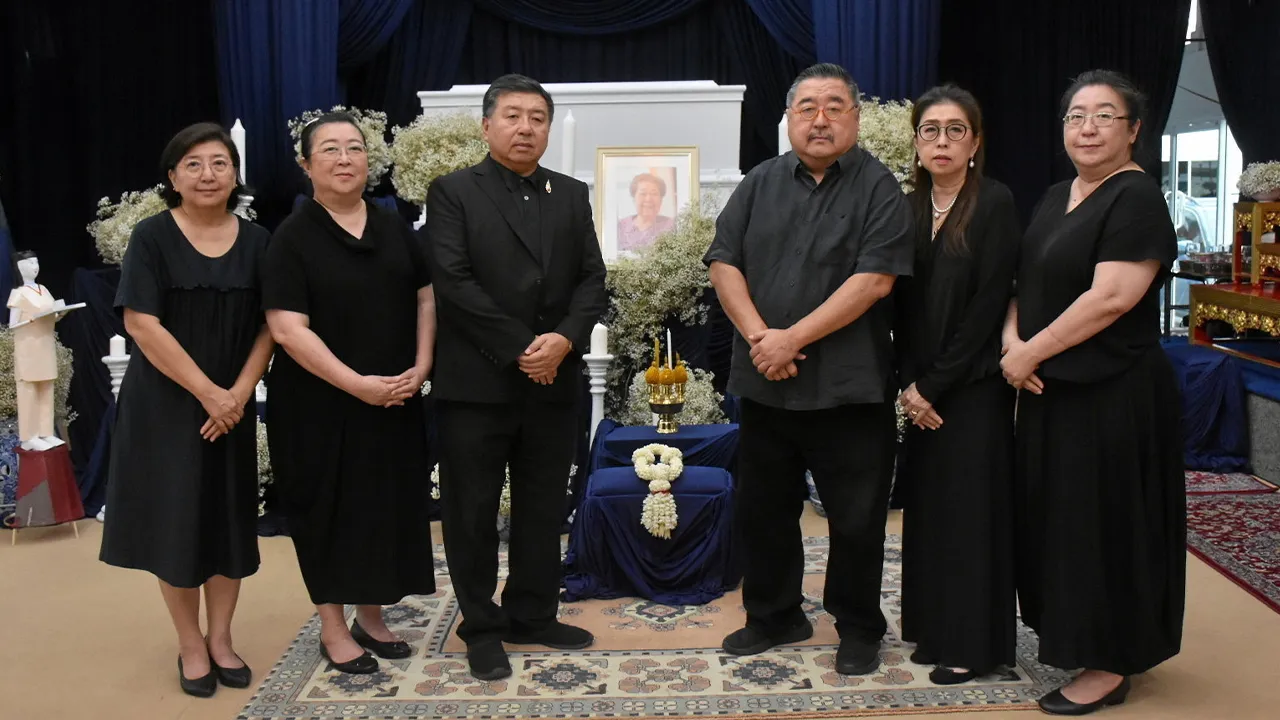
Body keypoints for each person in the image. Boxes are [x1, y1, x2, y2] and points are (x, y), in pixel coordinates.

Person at [703, 63, 914, 675]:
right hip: (766, 384)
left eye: (834, 107)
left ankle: (858, 626)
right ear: (789, 118)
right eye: (807, 108)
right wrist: (760, 338)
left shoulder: (880, 188)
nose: (820, 120)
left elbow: (874, 281)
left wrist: (789, 339)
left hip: (849, 388)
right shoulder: (760, 182)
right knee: (764, 511)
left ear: (855, 117)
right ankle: (774, 616)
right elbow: (723, 262)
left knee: (856, 519)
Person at [1000, 70, 1183, 715]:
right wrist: (1011, 343)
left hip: (1114, 393)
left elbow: (1111, 298)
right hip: (1053, 391)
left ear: (1134, 131)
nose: (1088, 128)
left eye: (1106, 115)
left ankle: (1110, 662)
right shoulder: (1057, 196)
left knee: (1107, 527)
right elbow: (1022, 282)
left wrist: (1030, 353)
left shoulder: (1136, 198)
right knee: (1063, 523)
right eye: (1076, 115)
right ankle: (1075, 635)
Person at [425, 74, 607, 681]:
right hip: (477, 385)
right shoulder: (453, 192)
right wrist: (523, 347)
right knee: (472, 512)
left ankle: (533, 614)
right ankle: (481, 627)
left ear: (548, 129)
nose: (525, 127)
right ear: (487, 125)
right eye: (512, 116)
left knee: (543, 506)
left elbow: (592, 279)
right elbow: (453, 282)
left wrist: (564, 340)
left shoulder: (571, 193)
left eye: (537, 118)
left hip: (553, 380)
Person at [99, 122, 275, 697]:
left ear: (235, 174)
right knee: (176, 524)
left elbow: (271, 327)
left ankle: (221, 638)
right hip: (168, 405)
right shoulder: (151, 236)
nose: (207, 174)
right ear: (173, 177)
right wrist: (209, 393)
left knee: (227, 522)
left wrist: (238, 394)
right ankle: (190, 643)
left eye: (219, 163)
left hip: (231, 406)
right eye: (193, 164)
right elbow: (141, 324)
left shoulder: (259, 241)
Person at [262, 112, 436, 675]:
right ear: (306, 163)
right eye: (330, 149)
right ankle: (333, 628)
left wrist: (422, 365)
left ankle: (372, 615)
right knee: (328, 511)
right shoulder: (292, 238)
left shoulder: (393, 226)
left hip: (392, 397)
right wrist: (356, 385)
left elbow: (425, 297)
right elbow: (287, 329)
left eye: (355, 148)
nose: (344, 159)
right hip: (319, 404)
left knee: (382, 506)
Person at [893, 85, 1020, 684]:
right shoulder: (907, 208)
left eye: (955, 130)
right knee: (929, 512)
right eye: (930, 130)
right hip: (919, 390)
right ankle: (933, 629)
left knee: (971, 516)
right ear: (917, 143)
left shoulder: (993, 202)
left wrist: (932, 387)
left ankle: (972, 643)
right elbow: (893, 307)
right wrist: (908, 386)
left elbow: (987, 306)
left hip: (971, 388)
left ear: (975, 142)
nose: (941, 141)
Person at [7, 251, 71, 448]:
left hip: (45, 344)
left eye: (36, 262)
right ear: (21, 267)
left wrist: (60, 313)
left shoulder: (44, 289)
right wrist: (31, 320)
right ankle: (29, 435)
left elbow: (51, 314)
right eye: (30, 263)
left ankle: (46, 432)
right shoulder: (19, 293)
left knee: (47, 388)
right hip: (28, 347)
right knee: (28, 392)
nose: (35, 267)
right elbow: (12, 325)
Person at [617, 172, 676, 254]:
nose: (648, 199)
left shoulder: (672, 226)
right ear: (634, 198)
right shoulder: (620, 227)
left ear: (661, 200)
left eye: (654, 194)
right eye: (643, 193)